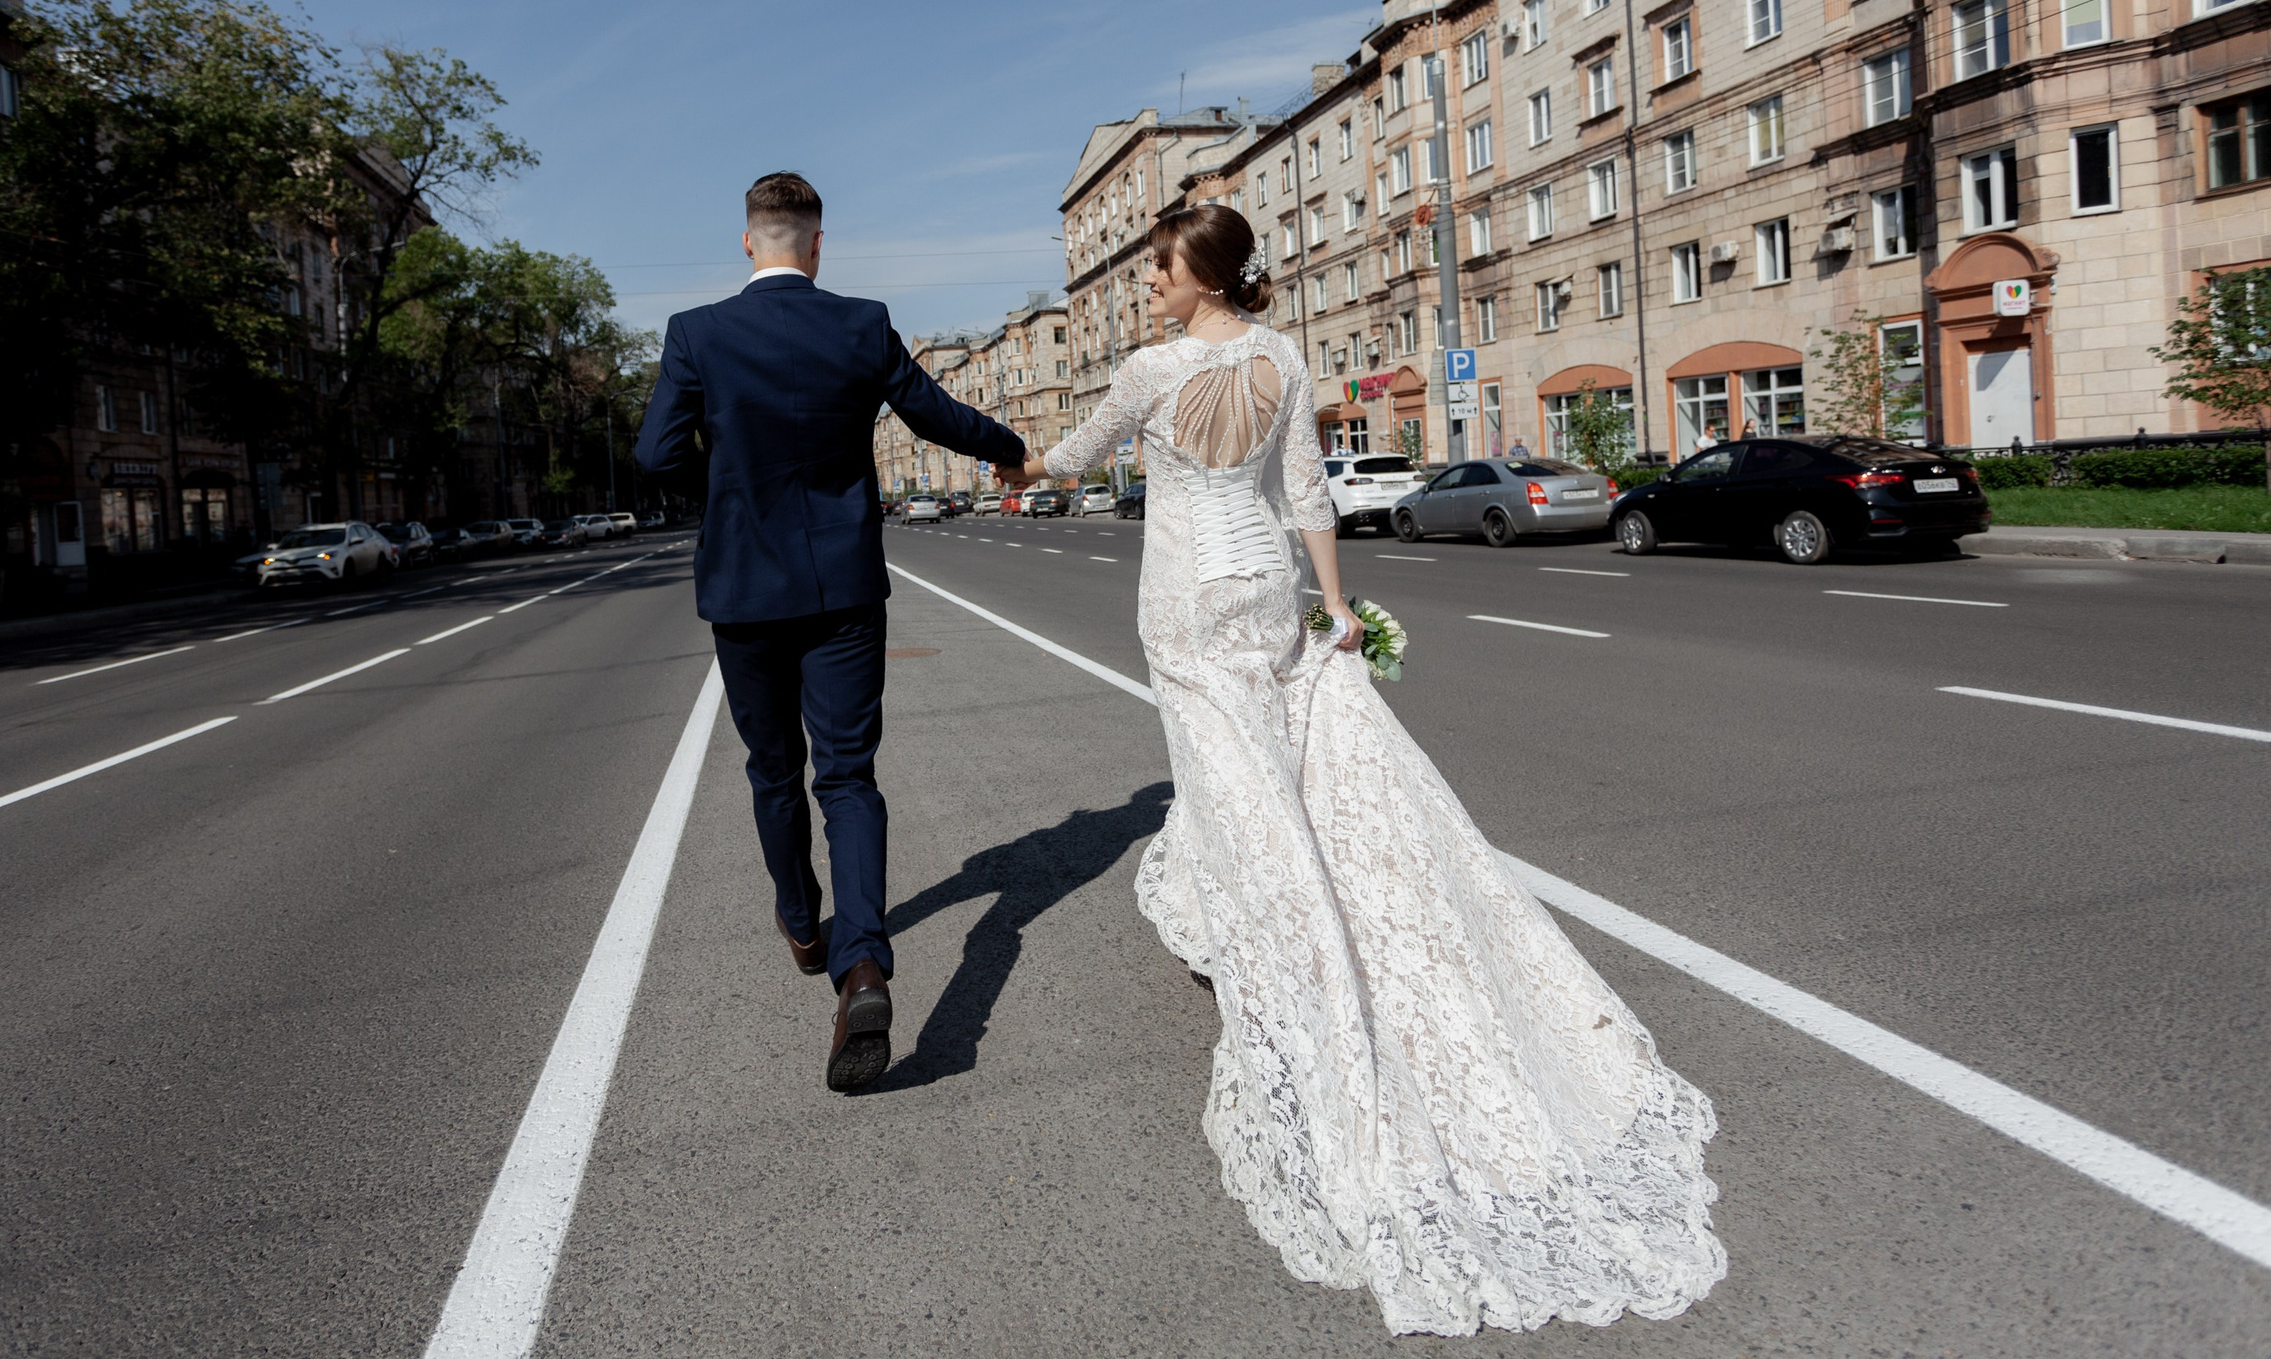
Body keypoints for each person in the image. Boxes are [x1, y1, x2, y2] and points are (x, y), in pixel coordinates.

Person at [999, 205, 1725, 1336]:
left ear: (1204, 274)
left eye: (1157, 268)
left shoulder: (1149, 371)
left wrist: (1003, 453)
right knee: (1265, 772)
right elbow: (1306, 493)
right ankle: (1244, 904)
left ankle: (1291, 953)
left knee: (1233, 782)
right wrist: (1334, 608)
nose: (1146, 285)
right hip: (1265, 592)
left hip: (1186, 603)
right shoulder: (1285, 357)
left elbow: (1071, 456)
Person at [636, 171, 1025, 1091]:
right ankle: (863, 968)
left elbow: (655, 454)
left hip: (744, 589)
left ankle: (803, 923)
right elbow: (932, 412)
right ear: (817, 245)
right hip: (843, 587)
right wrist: (1008, 447)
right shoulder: (861, 322)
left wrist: (728, 488)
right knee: (848, 775)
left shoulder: (697, 332)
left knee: (773, 769)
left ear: (748, 241)